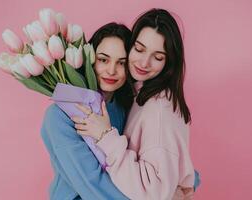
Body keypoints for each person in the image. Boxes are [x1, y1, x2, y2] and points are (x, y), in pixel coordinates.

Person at [72, 8, 197, 199]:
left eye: (158, 57)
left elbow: (154, 193)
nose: (144, 62)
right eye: (139, 49)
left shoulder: (159, 110)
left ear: (169, 62)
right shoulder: (137, 95)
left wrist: (106, 136)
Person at [41, 22, 133, 200]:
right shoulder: (59, 116)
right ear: (89, 59)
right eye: (103, 60)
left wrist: (182, 181)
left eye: (121, 62)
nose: (111, 70)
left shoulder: (125, 108)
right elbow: (90, 183)